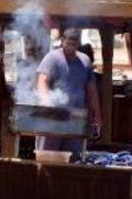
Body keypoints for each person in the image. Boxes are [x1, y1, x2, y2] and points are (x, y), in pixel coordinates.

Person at [36, 27, 102, 160]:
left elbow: (92, 91)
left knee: (73, 159)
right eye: (68, 44)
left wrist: (98, 115)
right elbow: (42, 81)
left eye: (74, 44)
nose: (71, 48)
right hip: (53, 119)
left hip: (76, 119)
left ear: (79, 44)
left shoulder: (85, 61)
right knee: (48, 158)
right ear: (62, 41)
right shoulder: (52, 58)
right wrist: (46, 101)